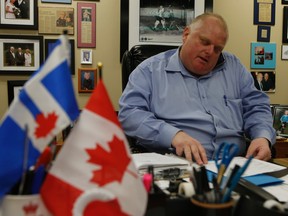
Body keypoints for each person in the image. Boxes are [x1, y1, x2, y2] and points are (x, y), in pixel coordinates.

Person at [118, 13, 276, 165]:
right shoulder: (149, 71)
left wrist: (262, 136)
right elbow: (129, 114)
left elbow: (256, 106)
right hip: (178, 168)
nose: (209, 52)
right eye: (204, 42)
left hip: (236, 166)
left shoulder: (233, 67)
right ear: (186, 34)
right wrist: (172, 135)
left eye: (217, 49)